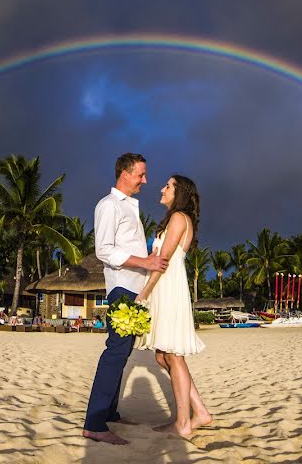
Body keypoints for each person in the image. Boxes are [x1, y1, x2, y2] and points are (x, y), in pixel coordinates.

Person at [82, 153, 169, 445]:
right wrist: (145, 263)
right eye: (141, 175)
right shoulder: (108, 206)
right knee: (115, 352)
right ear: (125, 173)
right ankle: (94, 423)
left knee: (123, 352)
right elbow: (104, 250)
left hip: (135, 288)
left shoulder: (130, 207)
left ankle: (109, 414)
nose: (145, 180)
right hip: (122, 287)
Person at [135, 175, 212, 438]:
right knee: (162, 355)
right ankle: (199, 411)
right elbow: (156, 258)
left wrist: (144, 292)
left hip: (167, 288)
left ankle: (183, 423)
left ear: (178, 192)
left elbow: (164, 260)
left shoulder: (179, 218)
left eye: (168, 186)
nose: (162, 188)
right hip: (164, 287)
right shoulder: (175, 218)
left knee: (172, 355)